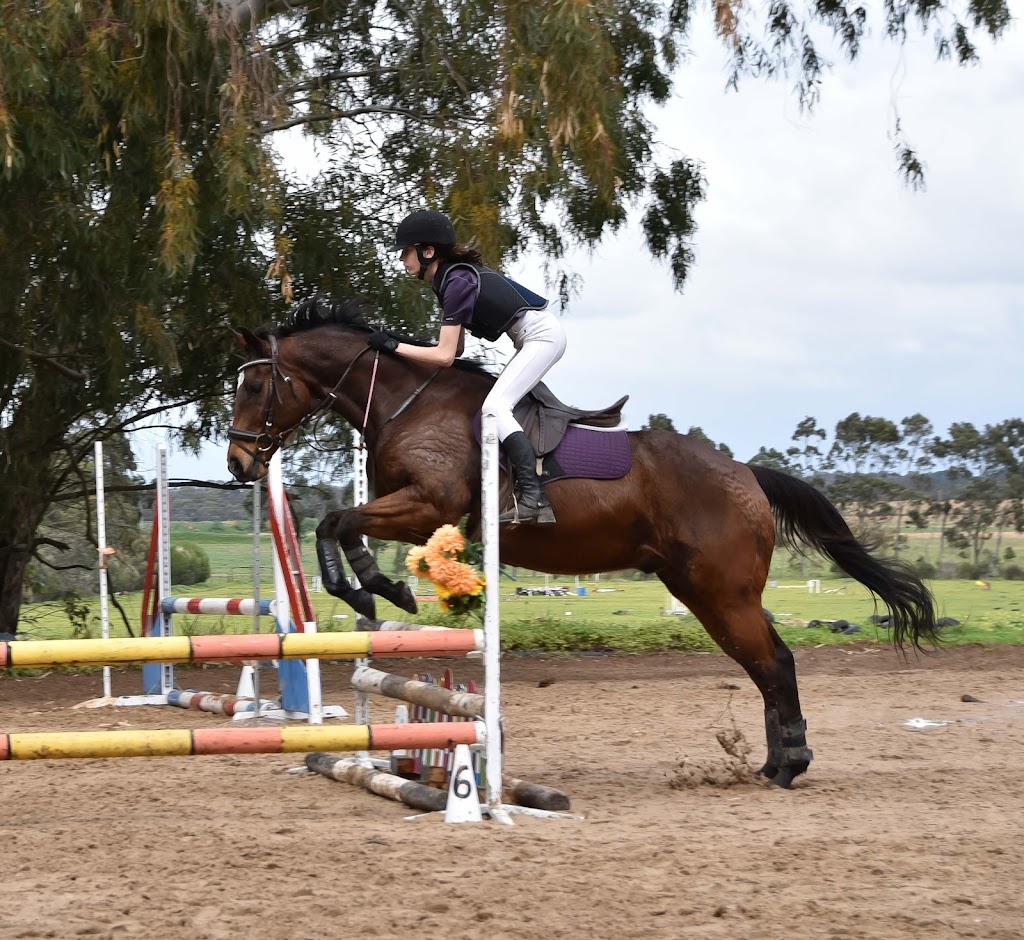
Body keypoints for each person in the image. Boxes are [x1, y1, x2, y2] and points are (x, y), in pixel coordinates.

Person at [367, 209, 565, 525]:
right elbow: (455, 349)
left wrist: (394, 346)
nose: (402, 259)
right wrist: (396, 343)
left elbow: (444, 355)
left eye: (406, 251)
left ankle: (534, 498)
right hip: (532, 337)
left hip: (541, 337)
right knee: (497, 406)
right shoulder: (449, 280)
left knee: (494, 408)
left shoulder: (456, 281)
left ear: (427, 251)